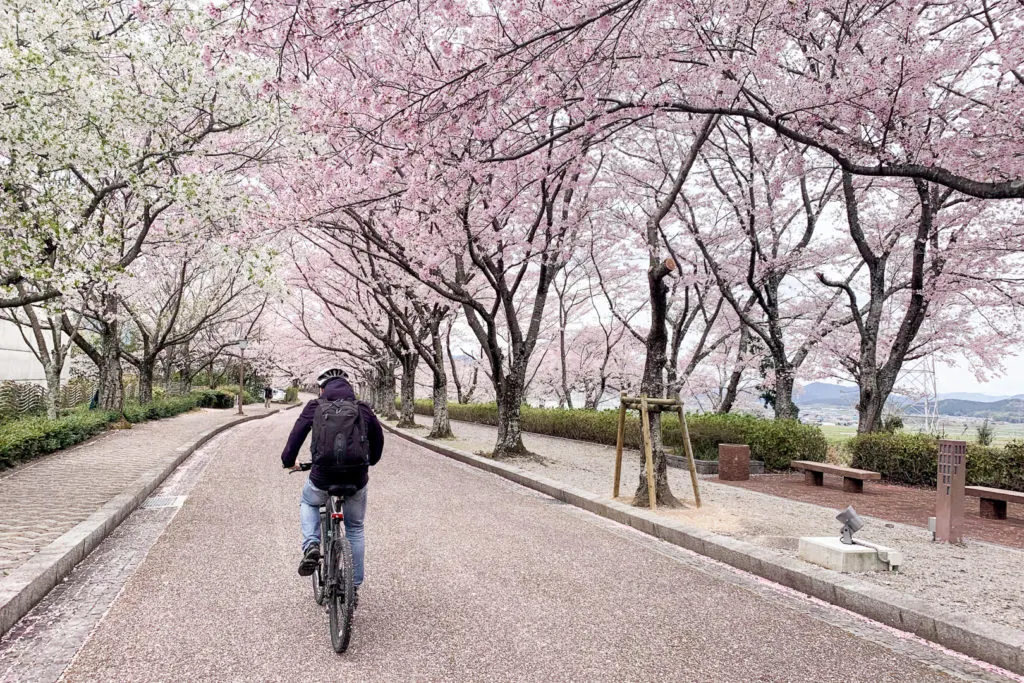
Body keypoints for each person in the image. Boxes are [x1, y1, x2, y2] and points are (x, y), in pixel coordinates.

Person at [280, 368, 383, 602]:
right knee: (355, 527)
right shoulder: (363, 409)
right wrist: (369, 463)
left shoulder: (314, 407)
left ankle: (312, 545)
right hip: (356, 478)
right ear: (349, 388)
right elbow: (378, 441)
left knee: (308, 501)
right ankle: (353, 585)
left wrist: (288, 462)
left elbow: (296, 436)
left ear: (322, 389)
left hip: (323, 476)